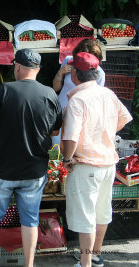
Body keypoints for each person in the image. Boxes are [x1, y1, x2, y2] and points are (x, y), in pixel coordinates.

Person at [0, 49, 62, 267]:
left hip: (1, 169)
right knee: (30, 219)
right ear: (39, 69)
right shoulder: (50, 94)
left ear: (17, 67)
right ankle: (29, 264)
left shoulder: (4, 90)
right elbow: (54, 132)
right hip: (34, 170)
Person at [61, 52, 132, 267]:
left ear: (74, 73)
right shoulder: (108, 93)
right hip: (108, 163)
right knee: (102, 213)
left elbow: (71, 137)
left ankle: (85, 264)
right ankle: (95, 257)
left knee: (86, 218)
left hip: (86, 165)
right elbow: (124, 119)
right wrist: (103, 132)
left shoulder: (77, 100)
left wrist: (67, 158)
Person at [52, 38, 105, 146]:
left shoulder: (100, 74)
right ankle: (55, 162)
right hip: (60, 112)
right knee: (55, 145)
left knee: (72, 146)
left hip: (80, 117)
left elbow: (97, 102)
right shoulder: (69, 61)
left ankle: (68, 161)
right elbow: (55, 88)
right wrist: (61, 72)